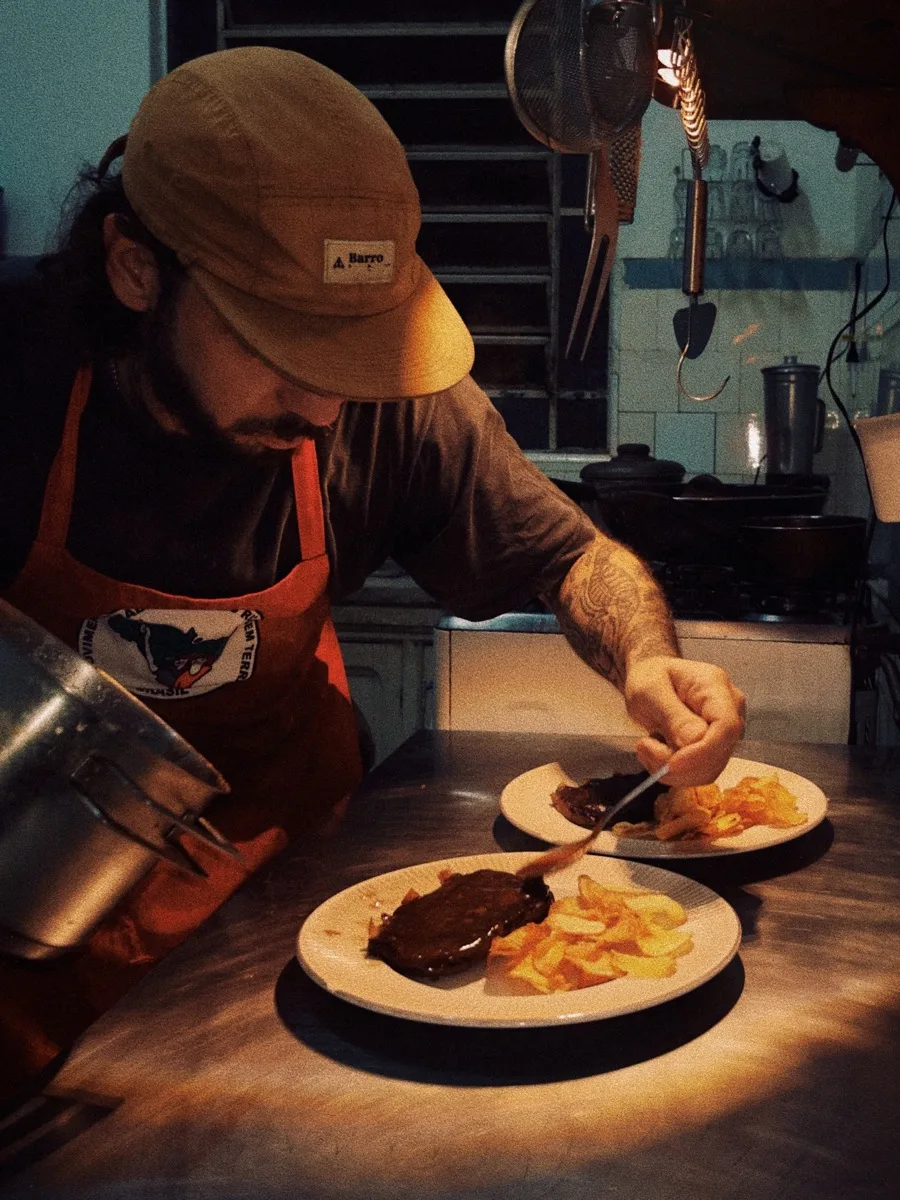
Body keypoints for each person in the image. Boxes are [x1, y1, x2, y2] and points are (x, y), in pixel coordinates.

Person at [0, 47, 744, 1092]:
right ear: (135, 267)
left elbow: (573, 556)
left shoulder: (373, 397)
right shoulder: (19, 388)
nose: (324, 405)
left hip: (292, 922)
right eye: (281, 344)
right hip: (32, 934)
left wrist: (645, 659)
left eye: (350, 349)